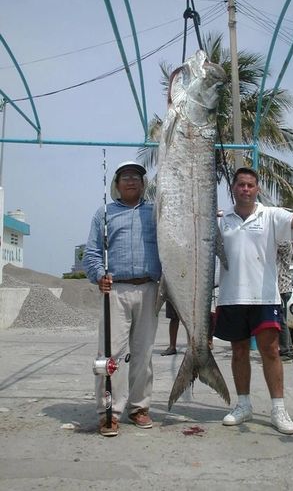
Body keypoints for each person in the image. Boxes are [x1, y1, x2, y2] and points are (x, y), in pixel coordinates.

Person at [214, 167, 293, 435]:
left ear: (257, 189)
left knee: (271, 351)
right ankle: (243, 404)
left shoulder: (271, 216)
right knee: (239, 352)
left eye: (250, 185)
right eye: (240, 184)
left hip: (264, 297)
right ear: (233, 188)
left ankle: (278, 408)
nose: (245, 189)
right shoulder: (220, 220)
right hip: (231, 298)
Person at [83, 160, 161, 437]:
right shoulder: (103, 214)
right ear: (116, 185)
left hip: (149, 288)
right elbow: (91, 253)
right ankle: (109, 411)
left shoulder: (155, 213)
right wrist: (98, 275)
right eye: (125, 177)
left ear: (143, 184)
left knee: (144, 353)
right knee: (110, 354)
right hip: (114, 290)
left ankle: (139, 407)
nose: (131, 181)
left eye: (137, 177)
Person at [277, 241, 293, 363]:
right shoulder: (285, 241)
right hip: (282, 287)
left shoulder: (283, 242)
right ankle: (287, 349)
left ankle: (287, 351)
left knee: (281, 320)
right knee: (281, 319)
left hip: (281, 287)